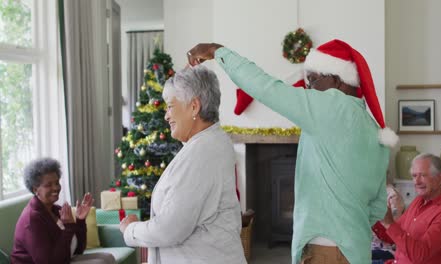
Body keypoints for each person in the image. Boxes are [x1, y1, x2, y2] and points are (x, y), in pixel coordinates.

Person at [187, 40, 399, 264]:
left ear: (336, 80)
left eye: (313, 80)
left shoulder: (329, 106)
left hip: (326, 250)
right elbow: (377, 207)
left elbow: (266, 88)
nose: (309, 89)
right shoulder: (374, 130)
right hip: (357, 249)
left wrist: (217, 51)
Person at [119, 65, 246, 264]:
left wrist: (130, 230)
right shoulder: (209, 143)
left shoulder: (202, 152)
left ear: (194, 106)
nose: (166, 115)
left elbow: (170, 228)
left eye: (170, 106)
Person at [11, 157, 116, 264]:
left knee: (107, 258)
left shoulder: (56, 210)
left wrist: (80, 220)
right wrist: (68, 227)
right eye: (48, 185)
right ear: (35, 189)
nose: (56, 188)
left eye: (57, 183)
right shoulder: (32, 219)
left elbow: (78, 249)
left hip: (61, 259)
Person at [381, 153, 441, 264]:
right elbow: (396, 232)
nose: (416, 182)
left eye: (422, 175)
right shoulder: (420, 200)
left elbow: (420, 255)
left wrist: (389, 223)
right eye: (414, 176)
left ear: (439, 178)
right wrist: (378, 218)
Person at [371, 185, 405, 264]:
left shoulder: (393, 197)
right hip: (372, 248)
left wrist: (375, 225)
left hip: (388, 251)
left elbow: (391, 238)